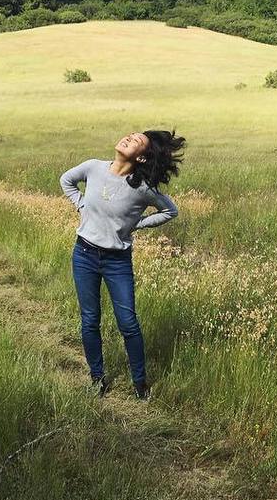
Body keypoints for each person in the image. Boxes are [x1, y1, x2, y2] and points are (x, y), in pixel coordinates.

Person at [59, 130, 185, 401]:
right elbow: (66, 180)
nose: (128, 138)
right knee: (90, 320)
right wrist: (81, 205)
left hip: (117, 261)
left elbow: (170, 211)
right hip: (84, 254)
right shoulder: (93, 167)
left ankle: (140, 384)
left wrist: (138, 224)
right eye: (130, 135)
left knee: (128, 323)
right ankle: (97, 378)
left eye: (136, 141)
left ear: (141, 158)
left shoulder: (142, 189)